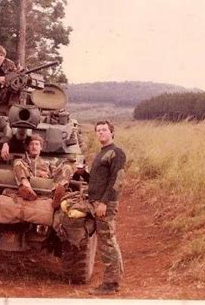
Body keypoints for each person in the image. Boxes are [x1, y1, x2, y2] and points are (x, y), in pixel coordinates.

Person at [87, 120, 126, 295]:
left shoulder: (116, 153)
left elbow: (116, 181)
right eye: (98, 130)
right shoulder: (103, 152)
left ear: (111, 132)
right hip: (98, 201)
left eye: (104, 130)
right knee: (107, 241)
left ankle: (111, 284)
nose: (101, 133)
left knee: (107, 242)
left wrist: (103, 202)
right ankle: (114, 280)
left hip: (105, 204)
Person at [12, 134, 74, 207]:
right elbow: (20, 170)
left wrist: (47, 174)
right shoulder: (23, 161)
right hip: (29, 182)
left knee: (67, 167)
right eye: (31, 144)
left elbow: (55, 173)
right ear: (28, 147)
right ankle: (26, 189)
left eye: (37, 144)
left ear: (41, 147)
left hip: (47, 185)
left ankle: (58, 195)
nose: (34, 147)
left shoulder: (48, 163)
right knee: (17, 162)